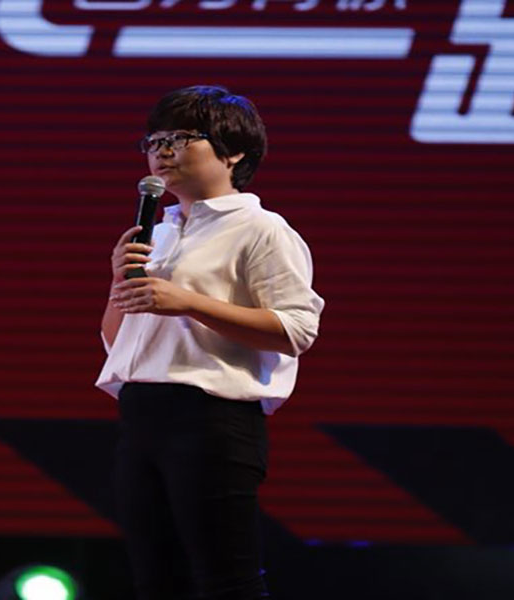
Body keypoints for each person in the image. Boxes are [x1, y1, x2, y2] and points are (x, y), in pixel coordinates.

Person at [96, 85, 325, 600]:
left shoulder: (262, 229)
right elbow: (118, 342)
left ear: (233, 152)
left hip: (211, 419)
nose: (163, 152)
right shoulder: (156, 231)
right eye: (155, 141)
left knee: (227, 583)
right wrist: (118, 282)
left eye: (181, 138)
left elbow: (296, 330)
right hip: (142, 415)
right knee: (157, 583)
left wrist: (188, 302)